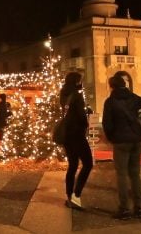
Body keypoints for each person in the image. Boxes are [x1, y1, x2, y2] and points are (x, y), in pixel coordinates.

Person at [101, 73, 141, 220]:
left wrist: (110, 138)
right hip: (136, 139)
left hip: (121, 141)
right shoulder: (133, 98)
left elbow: (107, 124)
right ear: (124, 84)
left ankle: (124, 209)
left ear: (111, 86)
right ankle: (138, 208)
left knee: (121, 174)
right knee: (135, 174)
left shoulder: (110, 101)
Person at [59, 71, 93, 210]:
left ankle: (69, 195)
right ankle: (76, 195)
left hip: (67, 134)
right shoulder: (77, 96)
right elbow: (80, 115)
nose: (81, 82)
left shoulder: (63, 94)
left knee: (72, 165)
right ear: (76, 81)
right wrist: (86, 124)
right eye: (80, 80)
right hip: (77, 134)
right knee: (88, 163)